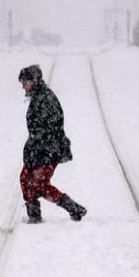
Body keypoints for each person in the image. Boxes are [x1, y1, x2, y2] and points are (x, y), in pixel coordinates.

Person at [18, 64, 87, 224]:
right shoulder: (37, 97)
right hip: (38, 150)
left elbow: (52, 126)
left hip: (49, 150)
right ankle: (33, 215)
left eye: (24, 82)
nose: (23, 87)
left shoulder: (46, 98)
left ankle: (74, 209)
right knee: (25, 179)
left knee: (38, 184)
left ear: (33, 81)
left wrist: (38, 144)